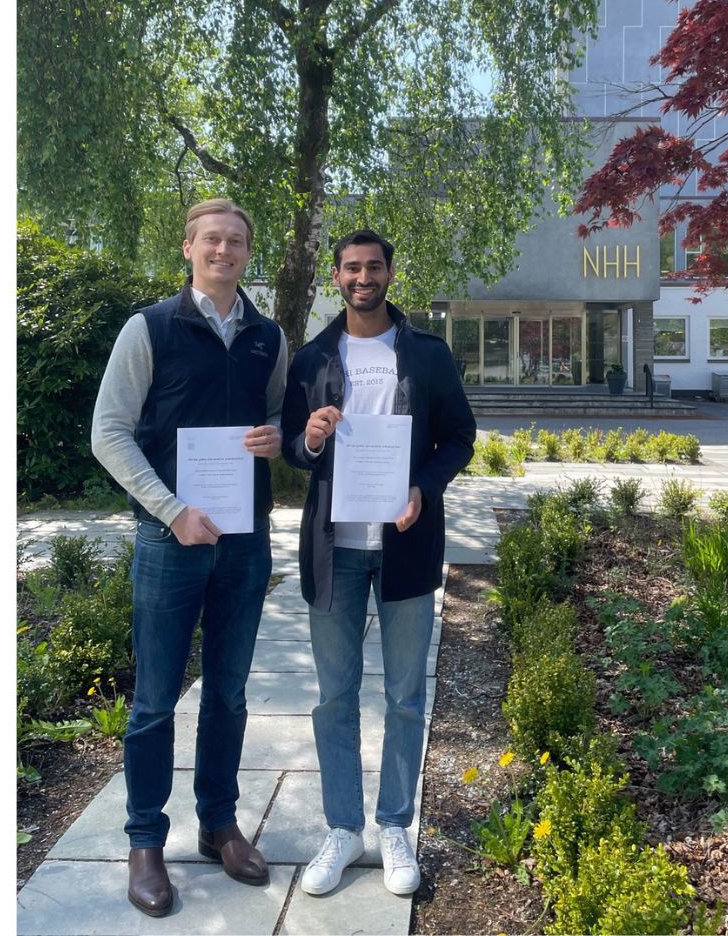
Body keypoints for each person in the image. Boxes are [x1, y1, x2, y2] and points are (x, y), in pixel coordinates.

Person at [87, 197, 288, 918]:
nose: (224, 251)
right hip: (170, 539)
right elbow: (109, 434)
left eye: (236, 241)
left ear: (246, 252)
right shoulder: (150, 328)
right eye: (212, 239)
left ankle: (218, 825)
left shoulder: (269, 335)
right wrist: (171, 510)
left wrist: (275, 435)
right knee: (153, 700)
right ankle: (145, 840)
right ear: (188, 247)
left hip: (243, 542)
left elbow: (280, 419)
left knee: (229, 692)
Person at [281, 230, 475, 898]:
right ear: (337, 276)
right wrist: (307, 439)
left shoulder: (426, 354)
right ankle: (343, 828)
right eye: (352, 268)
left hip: (406, 545)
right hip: (333, 550)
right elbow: (290, 447)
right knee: (334, 696)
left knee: (404, 696)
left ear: (390, 272)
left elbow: (460, 437)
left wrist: (424, 485)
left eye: (374, 267)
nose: (363, 277)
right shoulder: (312, 358)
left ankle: (395, 824)